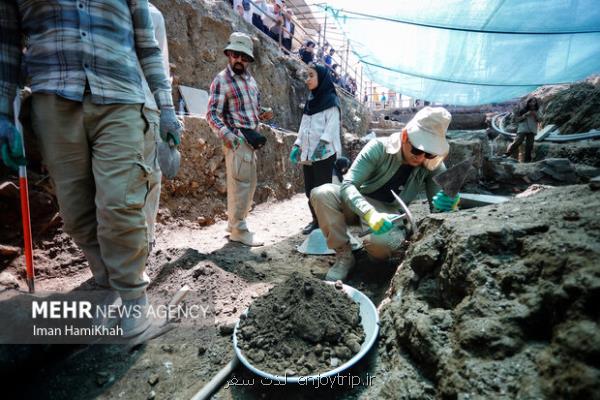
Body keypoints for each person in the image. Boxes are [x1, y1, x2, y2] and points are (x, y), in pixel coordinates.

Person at [0, 0, 183, 338]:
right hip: (53, 97)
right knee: (76, 212)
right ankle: (106, 281)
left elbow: (148, 44)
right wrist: (3, 113)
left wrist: (166, 107)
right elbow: (7, 46)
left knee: (120, 202)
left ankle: (133, 302)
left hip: (122, 96)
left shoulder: (148, 11)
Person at [311, 107, 460, 281]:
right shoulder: (378, 147)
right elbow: (348, 185)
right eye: (417, 150)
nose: (421, 158)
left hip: (390, 214)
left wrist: (451, 205)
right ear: (405, 136)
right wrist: (370, 213)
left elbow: (443, 215)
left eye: (429, 153)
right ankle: (345, 256)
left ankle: (373, 260)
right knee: (321, 193)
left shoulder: (433, 165)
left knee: (381, 245)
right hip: (358, 202)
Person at [206, 32, 273, 246]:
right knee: (241, 186)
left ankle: (232, 225)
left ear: (249, 60)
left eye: (244, 57)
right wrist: (230, 137)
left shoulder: (251, 81)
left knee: (248, 185)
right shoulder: (221, 80)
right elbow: (211, 114)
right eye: (236, 55)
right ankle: (239, 230)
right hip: (237, 139)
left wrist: (262, 113)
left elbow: (249, 108)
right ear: (229, 54)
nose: (239, 60)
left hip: (250, 141)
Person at [289, 64, 342, 235]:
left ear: (321, 78)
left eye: (311, 75)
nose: (307, 80)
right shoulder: (311, 102)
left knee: (323, 191)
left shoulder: (331, 101)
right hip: (308, 153)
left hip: (324, 154)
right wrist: (297, 144)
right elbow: (304, 125)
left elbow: (332, 127)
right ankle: (316, 221)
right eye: (307, 76)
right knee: (310, 190)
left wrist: (323, 144)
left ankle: (328, 224)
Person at [504, 97, 540, 162]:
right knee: (518, 141)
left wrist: (536, 115)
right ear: (528, 103)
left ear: (536, 103)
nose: (532, 103)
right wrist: (525, 115)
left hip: (532, 130)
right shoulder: (523, 110)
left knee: (529, 145)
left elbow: (541, 119)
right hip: (523, 129)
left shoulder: (537, 110)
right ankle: (507, 154)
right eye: (531, 102)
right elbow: (517, 120)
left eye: (534, 102)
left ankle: (527, 161)